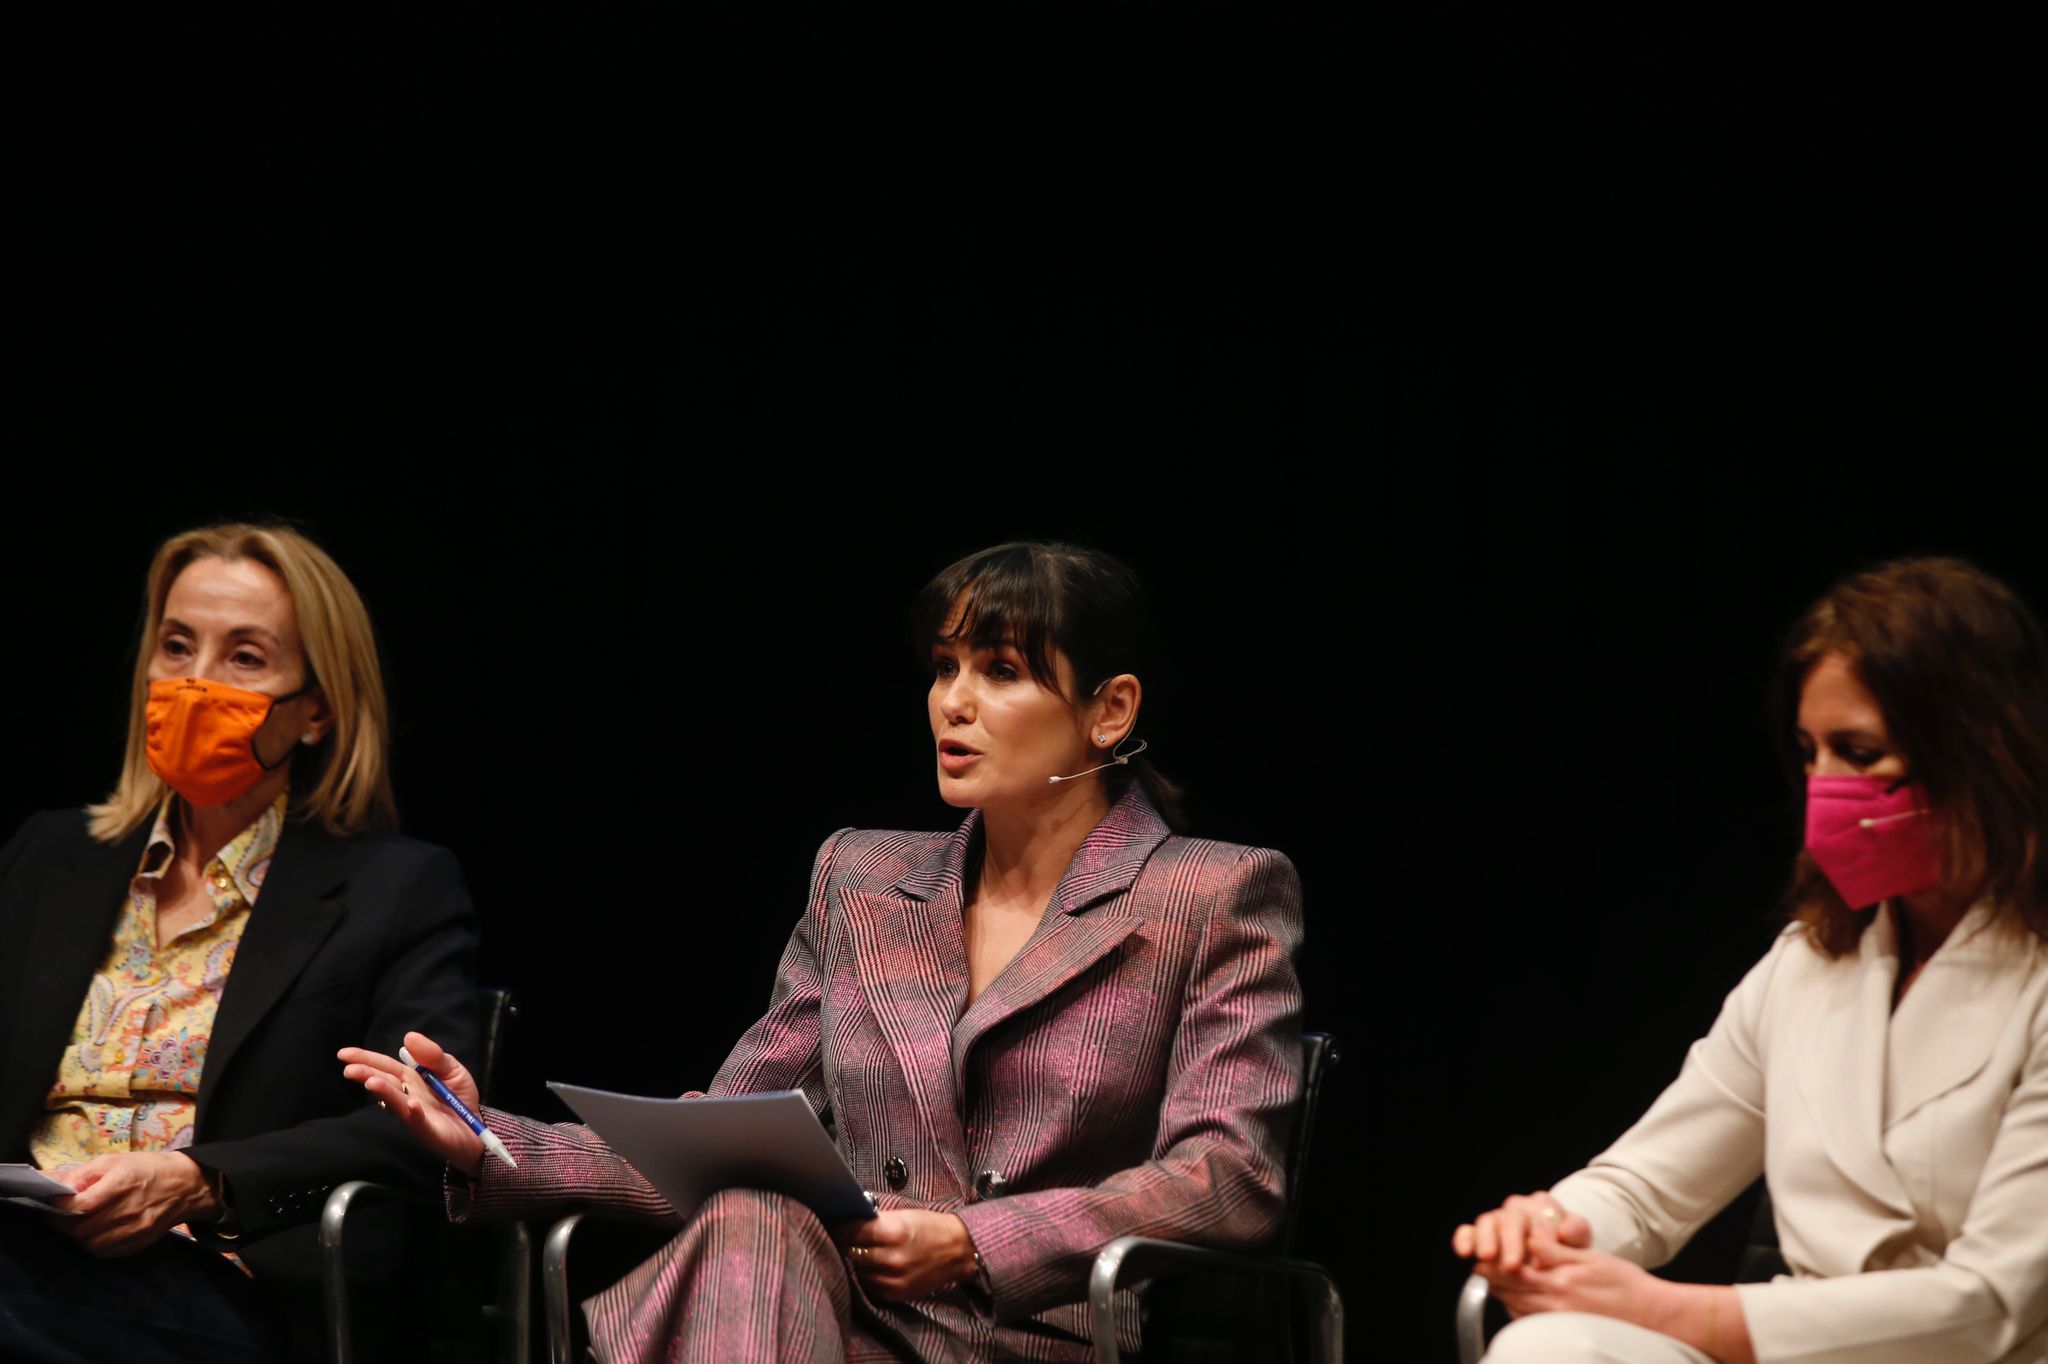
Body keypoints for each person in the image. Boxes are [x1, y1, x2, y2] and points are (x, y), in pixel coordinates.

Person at [342, 540, 1306, 1362]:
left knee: (744, 1246)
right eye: (943, 668)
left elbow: (1227, 1176)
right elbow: (721, 1138)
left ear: (1111, 710)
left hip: (1034, 1333)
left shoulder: (1214, 893)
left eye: (1001, 671)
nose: (952, 704)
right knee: (751, 1215)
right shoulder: (862, 881)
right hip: (820, 1313)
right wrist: (492, 1140)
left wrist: (973, 1242)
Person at [1453, 557, 2048, 1364]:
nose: (1823, 787)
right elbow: (1649, 1184)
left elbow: (1989, 1305)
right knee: (1549, 1348)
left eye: (1860, 751)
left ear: (1980, 754)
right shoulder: (1810, 963)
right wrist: (1549, 1231)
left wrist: (1686, 1317)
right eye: (1809, 752)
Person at [0, 523, 480, 1364]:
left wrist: (200, 1181)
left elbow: (428, 1117)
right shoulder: (50, 857)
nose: (194, 684)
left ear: (316, 711)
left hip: (217, 1280)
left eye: (245, 658)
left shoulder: (395, 889)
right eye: (177, 646)